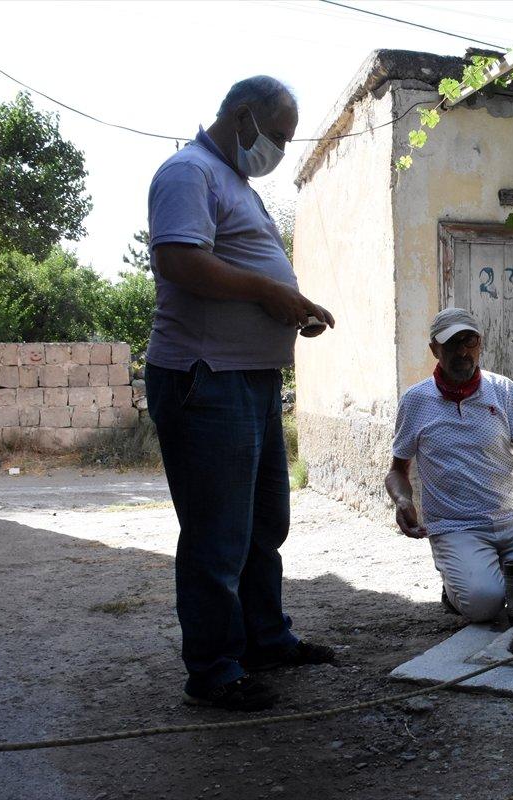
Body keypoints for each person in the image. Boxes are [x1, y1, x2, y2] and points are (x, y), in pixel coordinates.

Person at [145, 76, 337, 711]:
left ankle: (265, 638)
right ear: (245, 117)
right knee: (218, 534)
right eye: (278, 135)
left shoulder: (237, 185)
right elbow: (180, 262)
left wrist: (290, 305)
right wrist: (269, 293)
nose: (280, 148)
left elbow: (243, 266)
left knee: (263, 525)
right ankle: (214, 669)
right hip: (207, 378)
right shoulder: (187, 172)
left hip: (248, 379)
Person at [384, 308, 513, 621]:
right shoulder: (415, 400)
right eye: (452, 344)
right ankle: (459, 586)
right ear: (435, 349)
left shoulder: (502, 390)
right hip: (456, 526)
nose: (462, 351)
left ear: (480, 344)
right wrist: (403, 500)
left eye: (469, 341)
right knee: (485, 603)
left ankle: (494, 571)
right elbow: (397, 471)